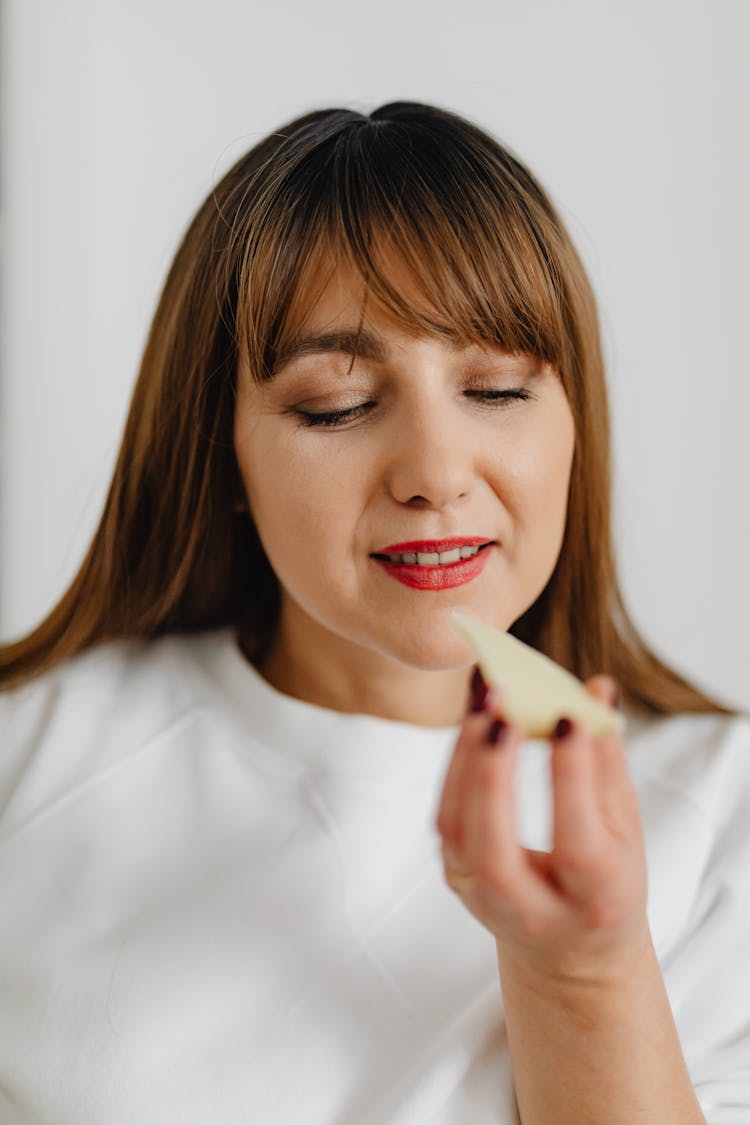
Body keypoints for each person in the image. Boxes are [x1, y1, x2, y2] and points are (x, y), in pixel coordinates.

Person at [0, 101, 747, 1124]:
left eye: (494, 388)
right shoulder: (33, 751)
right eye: (338, 407)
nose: (437, 474)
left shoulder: (718, 811)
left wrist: (581, 969)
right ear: (222, 451)